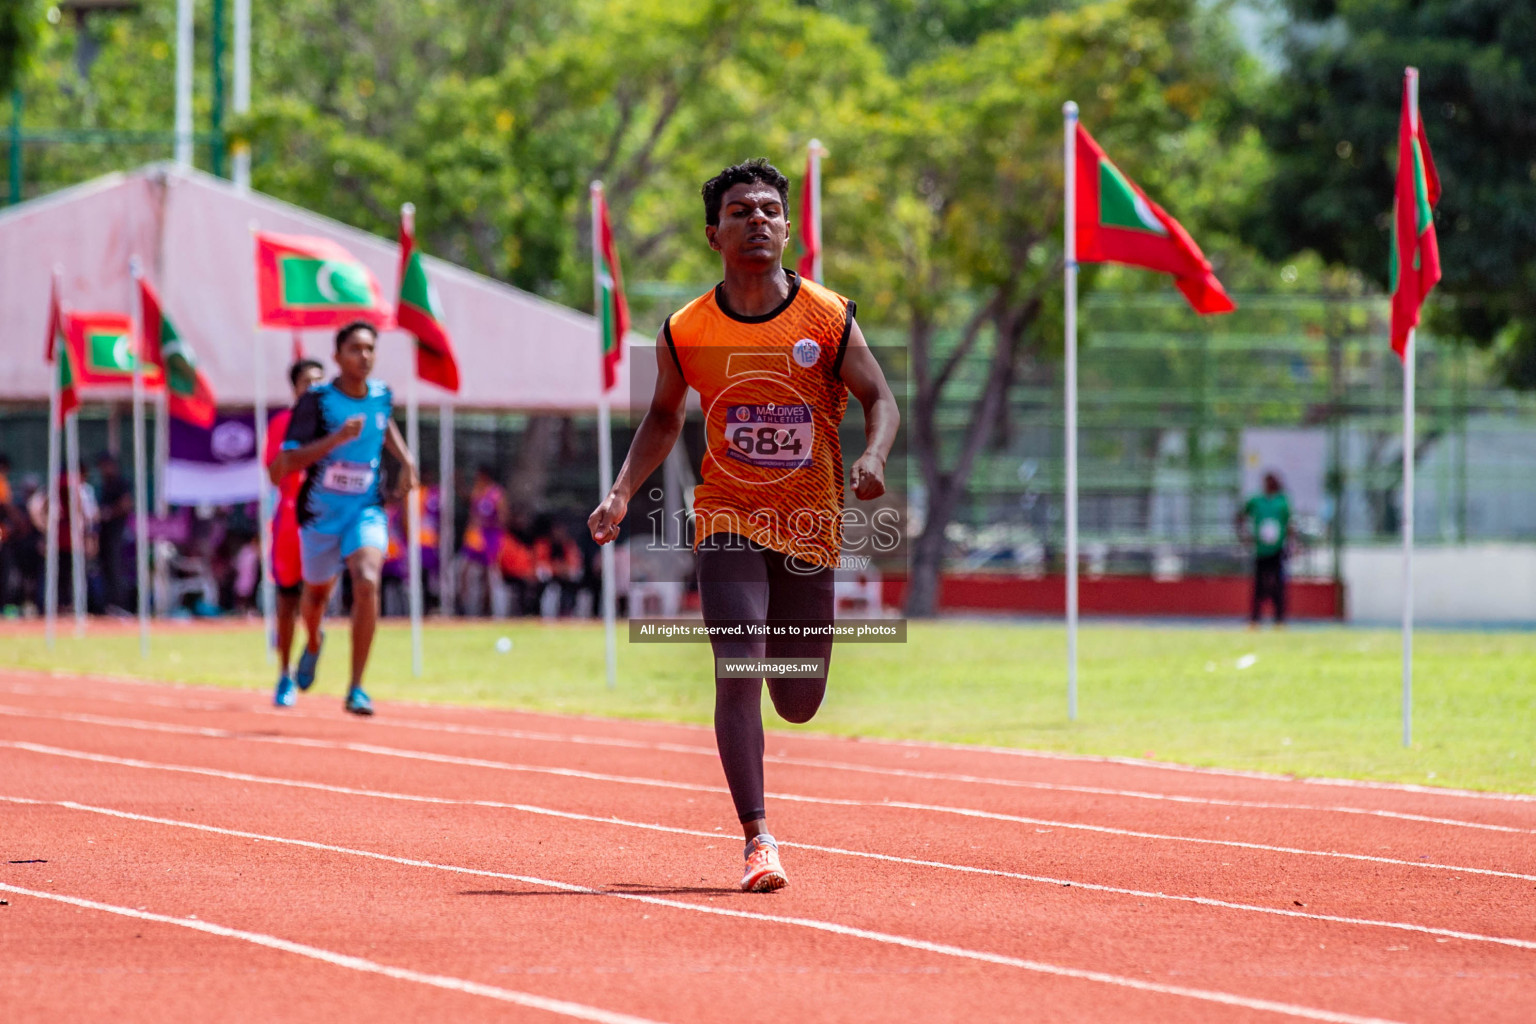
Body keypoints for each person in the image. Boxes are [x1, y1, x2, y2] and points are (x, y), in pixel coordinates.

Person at [589, 159, 899, 892]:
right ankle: (758, 839)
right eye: (740, 211)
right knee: (739, 665)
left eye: (769, 209)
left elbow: (880, 397)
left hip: (811, 527)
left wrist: (875, 453)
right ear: (713, 234)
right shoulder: (686, 328)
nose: (757, 219)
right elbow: (663, 416)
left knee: (796, 698)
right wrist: (621, 492)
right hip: (727, 518)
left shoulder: (828, 316)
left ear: (788, 228)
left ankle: (783, 717)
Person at [270, 323, 418, 716]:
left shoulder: (383, 394)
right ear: (337, 356)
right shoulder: (317, 401)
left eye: (370, 348)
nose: (364, 356)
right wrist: (334, 440)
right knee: (315, 597)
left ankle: (356, 687)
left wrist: (406, 461)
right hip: (319, 515)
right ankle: (314, 641)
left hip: (365, 508)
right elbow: (285, 463)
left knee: (368, 579)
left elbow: (383, 424)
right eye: (355, 349)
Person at [266, 358, 325, 706]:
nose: (314, 388)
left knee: (317, 596)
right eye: (307, 382)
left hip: (323, 520)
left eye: (320, 382)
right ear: (295, 388)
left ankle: (315, 641)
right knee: (287, 600)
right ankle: (284, 673)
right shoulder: (281, 424)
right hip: (289, 521)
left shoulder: (335, 424)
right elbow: (274, 473)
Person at [1238, 471, 1291, 626]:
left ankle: (1279, 619)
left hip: (1277, 549)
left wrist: (1292, 545)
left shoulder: (1283, 501)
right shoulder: (1256, 500)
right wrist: (1244, 536)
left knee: (1278, 585)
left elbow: (1289, 524)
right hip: (1260, 550)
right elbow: (1241, 515)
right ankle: (1255, 618)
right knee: (1259, 585)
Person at [459, 464, 505, 615]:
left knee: (488, 573)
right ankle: (464, 606)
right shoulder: (478, 491)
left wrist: (489, 525)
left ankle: (487, 609)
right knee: (465, 569)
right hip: (476, 536)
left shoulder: (496, 494)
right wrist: (457, 482)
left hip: (490, 536)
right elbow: (467, 499)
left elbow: (503, 518)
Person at [93, 453, 133, 614]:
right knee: (107, 569)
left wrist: (109, 512)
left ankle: (120, 604)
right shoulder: (106, 484)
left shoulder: (120, 483)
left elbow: (126, 504)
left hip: (117, 534)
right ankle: (110, 605)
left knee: (116, 568)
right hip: (106, 534)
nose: (103, 470)